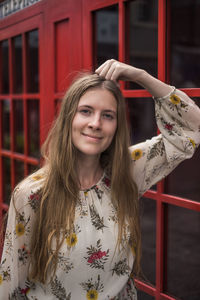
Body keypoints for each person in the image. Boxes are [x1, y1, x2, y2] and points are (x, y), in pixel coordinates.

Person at [0, 59, 200, 300]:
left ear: (117, 126)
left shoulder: (127, 171)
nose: (95, 124)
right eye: (86, 111)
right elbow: (12, 282)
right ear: (68, 118)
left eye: (108, 115)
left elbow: (190, 130)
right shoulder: (31, 194)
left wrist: (142, 77)